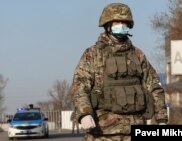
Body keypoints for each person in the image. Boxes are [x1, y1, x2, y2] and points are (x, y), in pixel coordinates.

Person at [70, 2, 168, 141]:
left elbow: (154, 87)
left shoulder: (137, 55)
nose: (121, 26)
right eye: (117, 22)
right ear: (107, 25)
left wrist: (161, 119)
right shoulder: (93, 55)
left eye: (125, 23)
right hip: (101, 133)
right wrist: (84, 113)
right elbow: (79, 87)